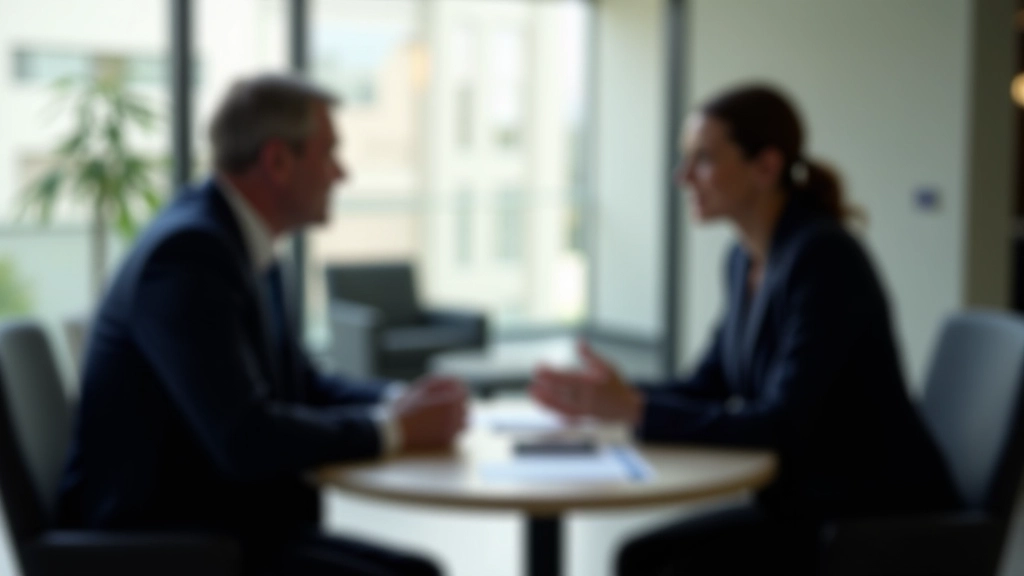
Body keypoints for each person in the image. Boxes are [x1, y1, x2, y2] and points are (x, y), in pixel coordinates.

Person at [530, 85, 960, 575]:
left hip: (871, 515)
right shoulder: (744, 260)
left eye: (704, 160)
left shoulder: (823, 258)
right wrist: (610, 396)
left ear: (766, 167)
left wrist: (633, 410)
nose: (684, 177)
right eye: (685, 160)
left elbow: (780, 424)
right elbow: (707, 383)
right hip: (806, 502)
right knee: (644, 557)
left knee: (655, 564)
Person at [56, 74, 467, 576]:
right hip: (162, 545)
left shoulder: (243, 247)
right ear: (277, 161)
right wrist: (393, 431)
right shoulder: (187, 256)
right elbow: (245, 438)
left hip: (224, 526)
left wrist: (399, 400)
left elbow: (302, 384)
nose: (342, 174)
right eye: (329, 153)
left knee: (417, 570)